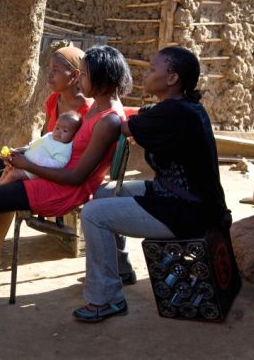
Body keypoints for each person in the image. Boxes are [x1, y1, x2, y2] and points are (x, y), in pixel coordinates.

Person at [73, 46, 230, 322]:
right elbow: (144, 118)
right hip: (176, 196)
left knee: (93, 214)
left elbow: (123, 126)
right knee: (102, 193)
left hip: (186, 211)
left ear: (172, 79)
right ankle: (119, 271)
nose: (145, 75)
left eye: (152, 69)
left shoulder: (175, 114)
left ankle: (106, 300)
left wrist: (105, 116)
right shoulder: (184, 108)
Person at [0, 45, 132, 273]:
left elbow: (77, 177)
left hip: (62, 189)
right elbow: (61, 146)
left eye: (85, 75)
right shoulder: (99, 109)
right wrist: (27, 155)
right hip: (53, 173)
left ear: (102, 78)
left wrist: (28, 165)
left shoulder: (107, 120)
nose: (81, 81)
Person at [0, 45, 93, 268]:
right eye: (49, 68)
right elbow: (46, 139)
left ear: (75, 75)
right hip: (41, 161)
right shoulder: (53, 101)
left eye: (56, 70)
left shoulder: (86, 111)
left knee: (10, 187)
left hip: (58, 170)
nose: (49, 74)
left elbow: (71, 157)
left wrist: (28, 163)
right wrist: (21, 152)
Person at [0, 112, 82, 187]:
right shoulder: (49, 136)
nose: (59, 132)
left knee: (14, 175)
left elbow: (59, 164)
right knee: (8, 168)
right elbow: (35, 144)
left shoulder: (64, 148)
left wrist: (40, 161)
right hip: (25, 160)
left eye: (65, 131)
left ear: (74, 136)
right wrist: (21, 150)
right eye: (57, 128)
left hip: (34, 170)